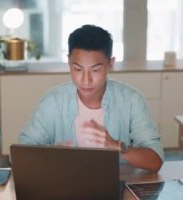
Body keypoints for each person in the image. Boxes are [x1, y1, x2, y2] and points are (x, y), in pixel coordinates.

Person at [19, 24, 163, 172]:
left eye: (95, 70)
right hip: (64, 185)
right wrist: (51, 154)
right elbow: (20, 154)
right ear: (69, 62)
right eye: (78, 69)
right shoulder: (52, 102)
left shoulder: (131, 101)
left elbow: (155, 161)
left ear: (110, 64)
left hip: (115, 186)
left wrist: (117, 146)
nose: (86, 80)